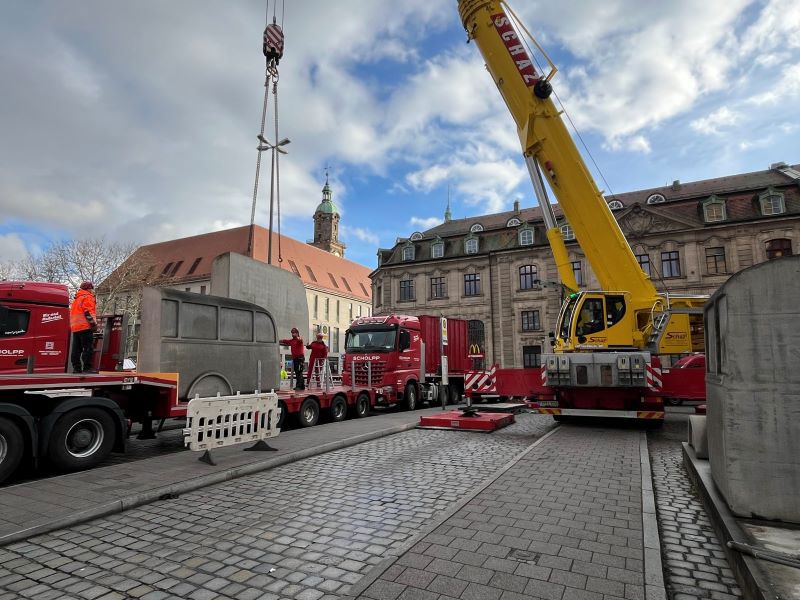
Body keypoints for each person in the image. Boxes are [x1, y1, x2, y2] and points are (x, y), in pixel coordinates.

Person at [70, 281, 98, 373]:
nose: (92, 291)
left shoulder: (76, 299)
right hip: (85, 326)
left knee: (76, 349)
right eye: (91, 289)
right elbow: (88, 312)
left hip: (75, 327)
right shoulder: (87, 297)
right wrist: (93, 325)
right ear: (88, 289)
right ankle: (87, 367)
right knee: (88, 347)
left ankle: (76, 368)